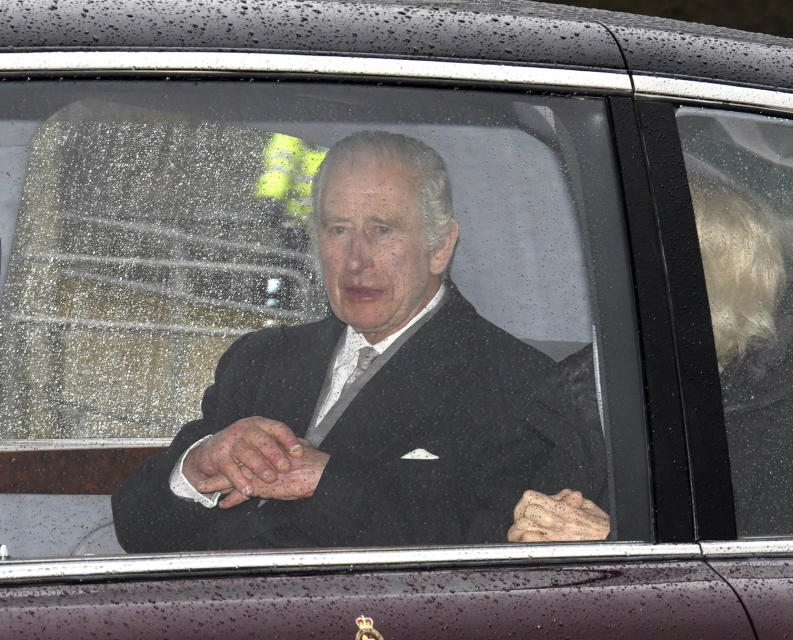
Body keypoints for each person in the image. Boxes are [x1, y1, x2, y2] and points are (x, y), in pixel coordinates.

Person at [112, 131, 561, 551]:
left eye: (382, 229)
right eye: (338, 230)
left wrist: (327, 481)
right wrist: (196, 470)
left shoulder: (520, 385)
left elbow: (494, 541)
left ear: (440, 246)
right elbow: (137, 529)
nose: (356, 260)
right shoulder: (260, 358)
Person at [509, 160, 793, 541]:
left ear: (708, 286)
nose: (618, 284)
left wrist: (619, 540)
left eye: (643, 264)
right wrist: (530, 528)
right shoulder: (588, 388)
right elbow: (499, 514)